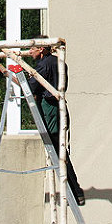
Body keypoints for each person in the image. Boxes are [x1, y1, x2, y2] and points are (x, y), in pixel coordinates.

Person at [27, 45, 85, 206]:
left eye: (32, 49)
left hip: (51, 109)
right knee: (60, 151)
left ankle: (74, 191)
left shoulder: (44, 65)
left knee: (58, 151)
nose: (30, 52)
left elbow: (32, 87)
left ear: (40, 49)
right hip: (59, 108)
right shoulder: (59, 62)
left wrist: (12, 74)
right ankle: (75, 191)